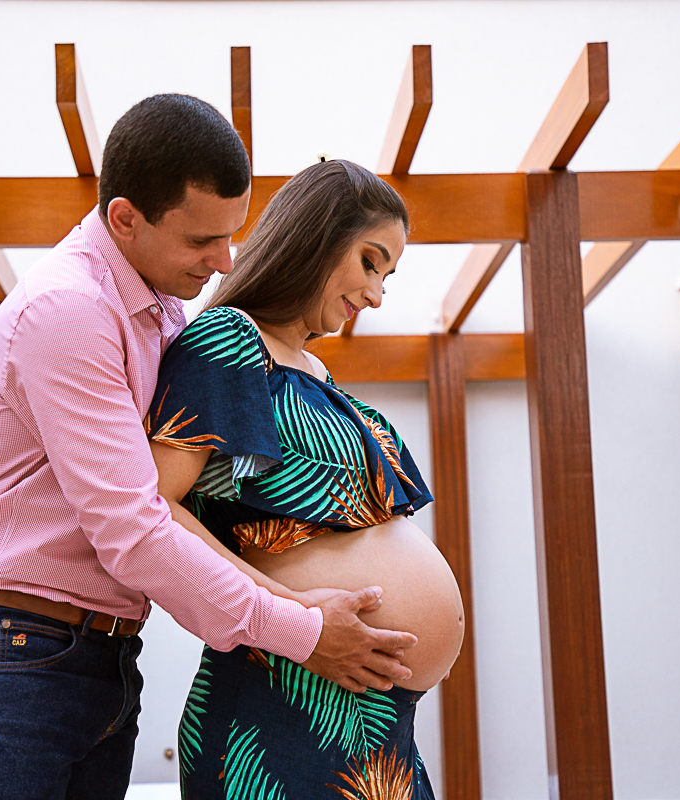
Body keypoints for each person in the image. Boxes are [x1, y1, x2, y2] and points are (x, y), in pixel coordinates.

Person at [0, 96, 418, 800]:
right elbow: (134, 525)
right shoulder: (67, 310)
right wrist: (302, 629)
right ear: (125, 217)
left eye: (232, 235)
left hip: (102, 649)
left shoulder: (164, 315)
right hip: (15, 647)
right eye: (202, 241)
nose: (224, 261)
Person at [147, 159, 465, 799]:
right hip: (284, 699)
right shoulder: (229, 339)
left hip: (374, 723)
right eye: (370, 262)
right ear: (316, 238)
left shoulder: (315, 371)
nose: (376, 294)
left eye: (387, 277)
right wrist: (298, 619)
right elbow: (154, 507)